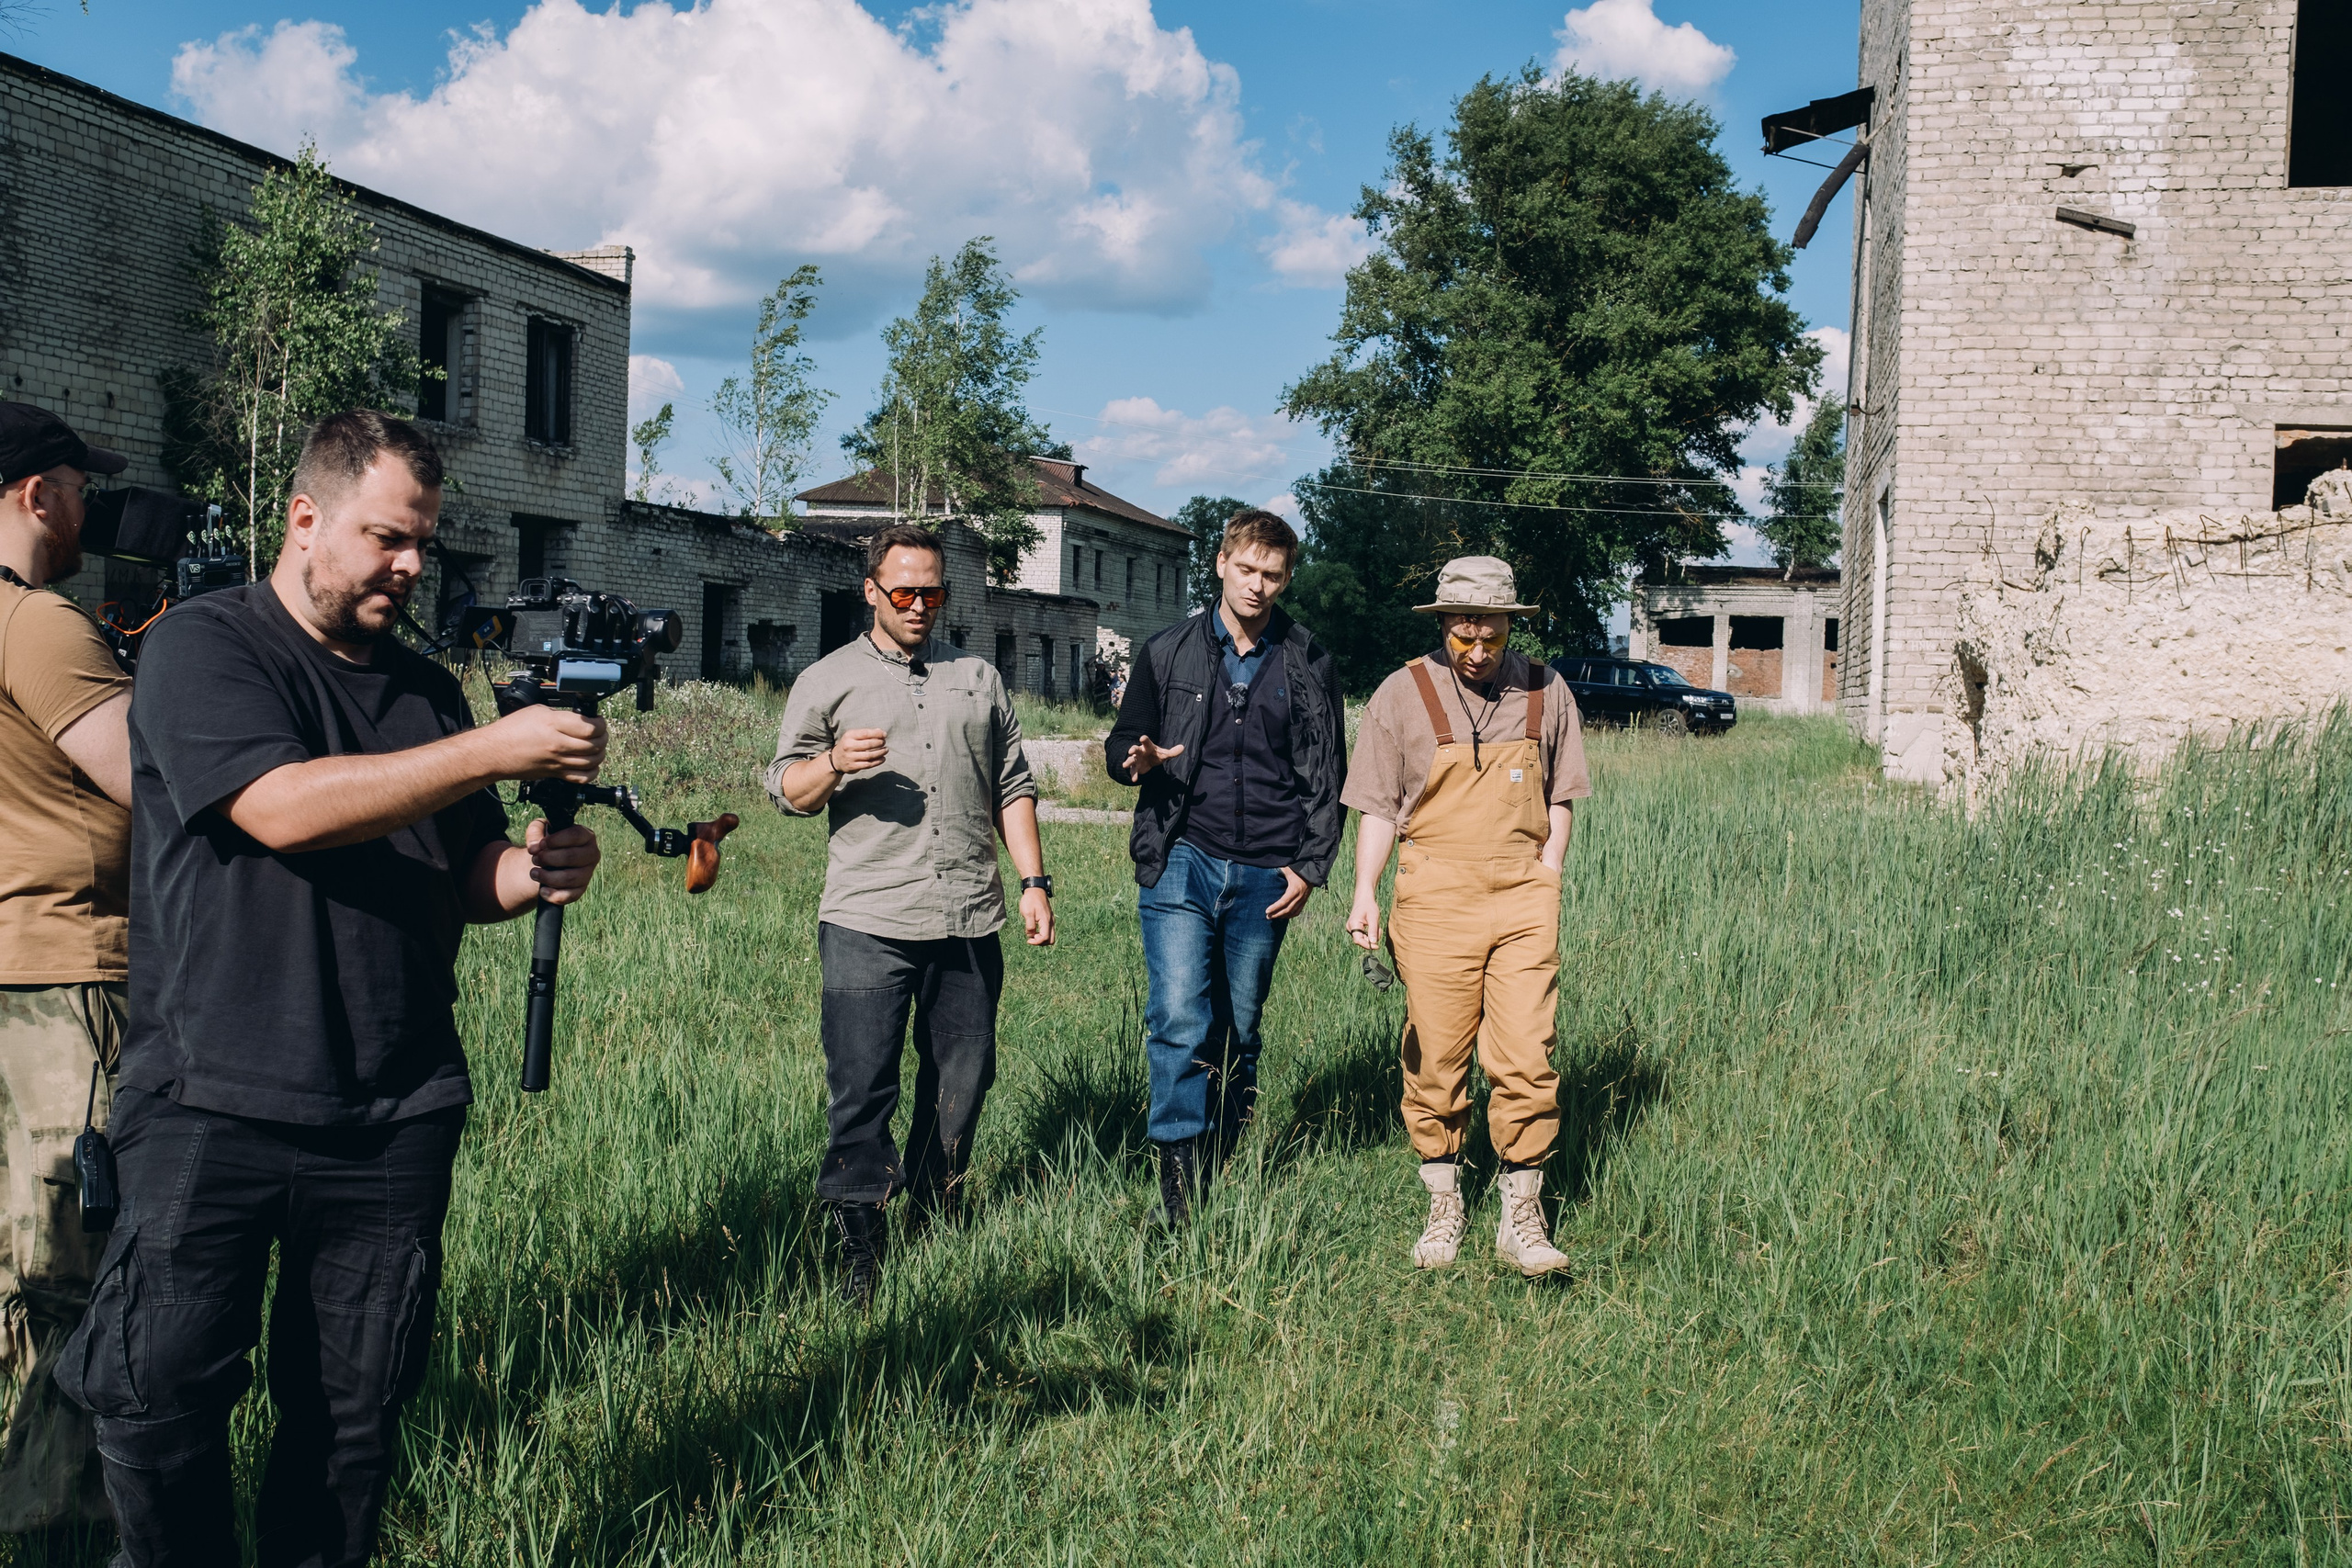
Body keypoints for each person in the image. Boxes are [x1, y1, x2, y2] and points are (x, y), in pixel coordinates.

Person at [55, 410, 608, 1564]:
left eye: (424, 543)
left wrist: (527, 872)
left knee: (351, 1432)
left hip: (392, 1114)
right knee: (158, 1408)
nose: (411, 566)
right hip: (209, 1101)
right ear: (305, 517)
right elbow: (280, 807)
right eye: (387, 538)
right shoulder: (206, 647)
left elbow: (462, 871)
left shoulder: (424, 692)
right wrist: (492, 751)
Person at [767, 523, 1051, 1304]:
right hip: (868, 917)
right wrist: (831, 764)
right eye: (904, 591)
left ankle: (934, 1203)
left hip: (968, 913)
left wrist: (1034, 881)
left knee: (965, 1073)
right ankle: (861, 1240)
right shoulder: (827, 679)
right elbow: (785, 790)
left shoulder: (977, 677)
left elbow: (1014, 785)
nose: (920, 604)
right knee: (862, 1086)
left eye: (933, 591)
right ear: (871, 591)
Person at [1342, 557, 1591, 1278]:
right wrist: (1366, 888)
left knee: (1526, 1051)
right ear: (1444, 624)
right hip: (1433, 893)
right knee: (1438, 1053)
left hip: (1522, 893)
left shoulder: (1547, 690)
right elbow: (1380, 808)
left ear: (1511, 623)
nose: (1479, 652)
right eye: (1464, 636)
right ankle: (1444, 1202)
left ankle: (1522, 1213)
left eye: (1492, 635)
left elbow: (1563, 797)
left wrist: (1549, 872)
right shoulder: (1400, 695)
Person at [1102, 509, 1346, 1224]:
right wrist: (1135, 760)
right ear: (1221, 564)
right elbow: (1123, 744)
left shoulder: (1309, 657)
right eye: (1248, 569)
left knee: (1239, 1020)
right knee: (1180, 1013)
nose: (1259, 585)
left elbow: (1328, 770)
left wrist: (1310, 863)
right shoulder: (1168, 649)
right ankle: (1178, 1188)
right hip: (1182, 853)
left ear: (1287, 577)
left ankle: (1222, 1151)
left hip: (1269, 869)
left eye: (1274, 574)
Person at [0, 402, 130, 1531]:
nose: (88, 504)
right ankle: (59, 1523)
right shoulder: (38, 622)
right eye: (80, 484)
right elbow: (165, 786)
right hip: (65, 980)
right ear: (37, 493)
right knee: (70, 1274)